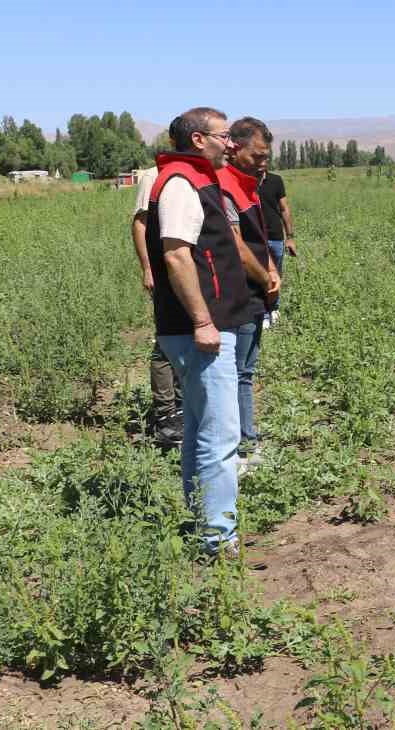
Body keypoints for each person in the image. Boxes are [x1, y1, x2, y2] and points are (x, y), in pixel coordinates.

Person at [148, 107, 251, 555]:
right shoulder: (180, 184)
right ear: (198, 140)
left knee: (198, 430)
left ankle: (204, 523)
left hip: (199, 328)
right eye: (224, 136)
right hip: (199, 331)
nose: (230, 143)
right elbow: (175, 256)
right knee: (220, 435)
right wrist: (203, 320)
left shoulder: (191, 177)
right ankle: (217, 538)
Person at [218, 117, 280, 462]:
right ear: (234, 148)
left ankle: (245, 439)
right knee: (237, 374)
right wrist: (265, 277)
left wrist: (271, 267)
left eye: (266, 155)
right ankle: (243, 447)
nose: (263, 162)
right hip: (239, 295)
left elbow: (257, 239)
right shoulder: (225, 185)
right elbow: (238, 249)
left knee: (245, 371)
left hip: (254, 293)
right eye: (257, 155)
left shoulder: (247, 184)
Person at [132, 164, 183, 448]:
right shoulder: (154, 175)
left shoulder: (202, 172)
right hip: (166, 272)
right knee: (166, 343)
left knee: (186, 339)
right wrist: (147, 268)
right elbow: (140, 223)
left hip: (191, 273)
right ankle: (166, 416)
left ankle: (183, 407)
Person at [256, 162, 295, 327]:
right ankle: (263, 312)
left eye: (264, 159)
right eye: (258, 158)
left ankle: (274, 307)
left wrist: (290, 237)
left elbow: (284, 208)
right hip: (255, 237)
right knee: (260, 274)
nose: (261, 163)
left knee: (276, 273)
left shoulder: (276, 181)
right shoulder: (245, 181)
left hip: (276, 236)